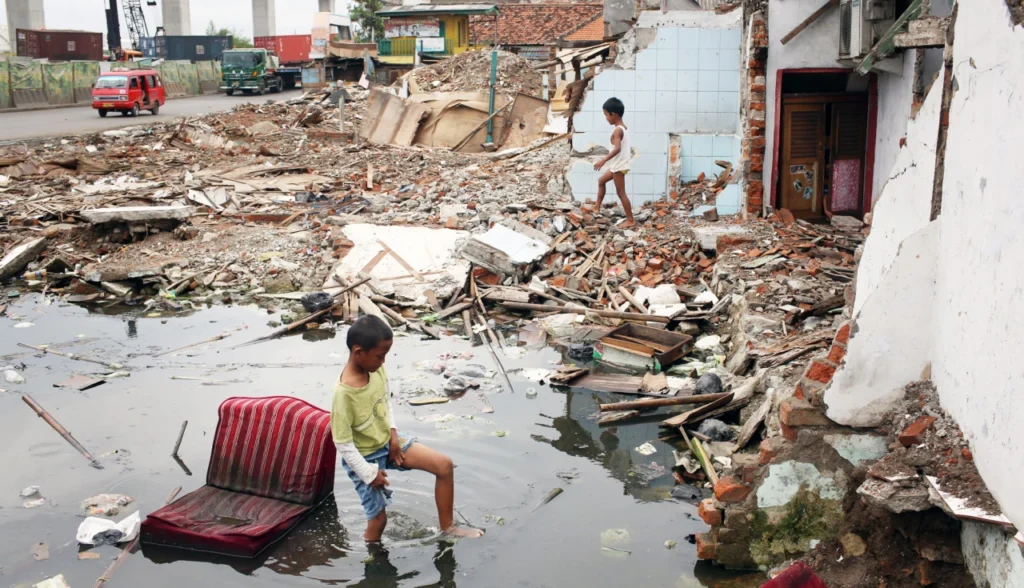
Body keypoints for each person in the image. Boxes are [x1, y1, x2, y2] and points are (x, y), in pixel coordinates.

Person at [332, 315, 483, 542]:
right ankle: (374, 560)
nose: (383, 362)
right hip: (363, 458)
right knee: (379, 521)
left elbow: (385, 402)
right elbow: (342, 443)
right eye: (380, 356)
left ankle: (448, 528)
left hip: (388, 442)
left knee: (444, 465)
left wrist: (393, 437)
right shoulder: (344, 394)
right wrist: (368, 473)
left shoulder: (375, 370)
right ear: (358, 352)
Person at [590, 97, 636, 229]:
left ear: (613, 114)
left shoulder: (618, 130)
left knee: (621, 193)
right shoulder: (622, 128)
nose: (606, 118)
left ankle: (630, 220)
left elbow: (617, 148)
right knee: (601, 181)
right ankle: (597, 207)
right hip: (617, 165)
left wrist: (603, 160)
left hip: (619, 166)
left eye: (606, 115)